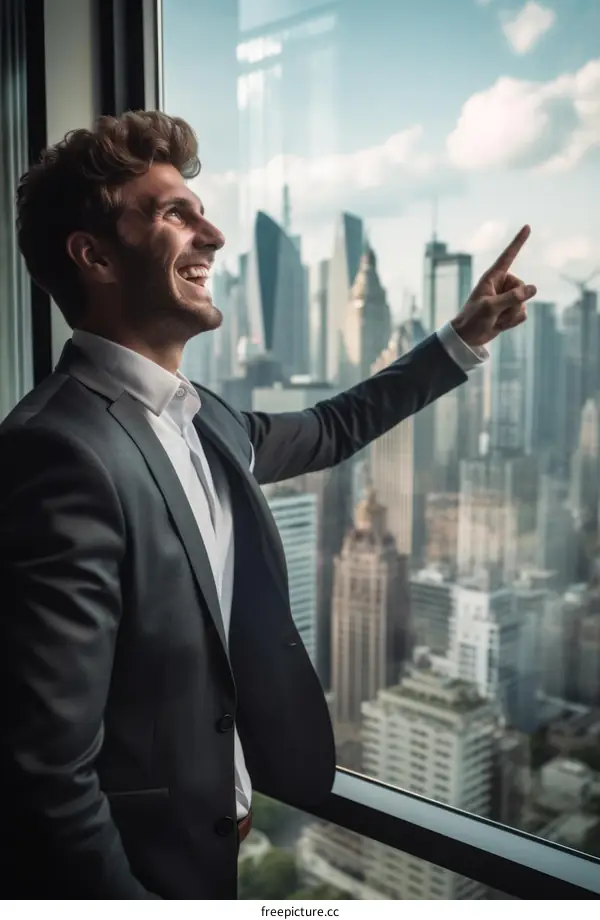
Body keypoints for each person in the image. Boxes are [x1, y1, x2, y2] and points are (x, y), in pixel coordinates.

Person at [0, 111, 535, 900]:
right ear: (95, 256)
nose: (211, 234)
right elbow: (47, 770)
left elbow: (329, 428)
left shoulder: (202, 416)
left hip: (217, 841)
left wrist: (460, 338)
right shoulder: (59, 452)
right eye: (174, 212)